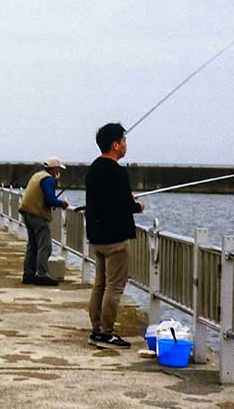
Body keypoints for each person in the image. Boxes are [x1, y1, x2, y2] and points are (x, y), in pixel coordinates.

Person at [85, 123, 144, 349]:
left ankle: (96, 329)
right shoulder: (118, 172)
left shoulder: (93, 170)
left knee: (99, 284)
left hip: (97, 238)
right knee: (115, 287)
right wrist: (137, 206)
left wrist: (126, 200)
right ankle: (106, 332)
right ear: (115, 144)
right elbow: (121, 206)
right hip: (115, 240)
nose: (126, 145)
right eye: (124, 141)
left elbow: (104, 201)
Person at [18, 157, 69, 286]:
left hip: (27, 212)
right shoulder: (48, 179)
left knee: (32, 245)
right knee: (44, 245)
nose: (59, 171)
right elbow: (49, 199)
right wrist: (61, 203)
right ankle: (42, 274)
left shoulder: (37, 175)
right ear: (54, 168)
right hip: (37, 214)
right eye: (58, 169)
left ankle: (28, 274)